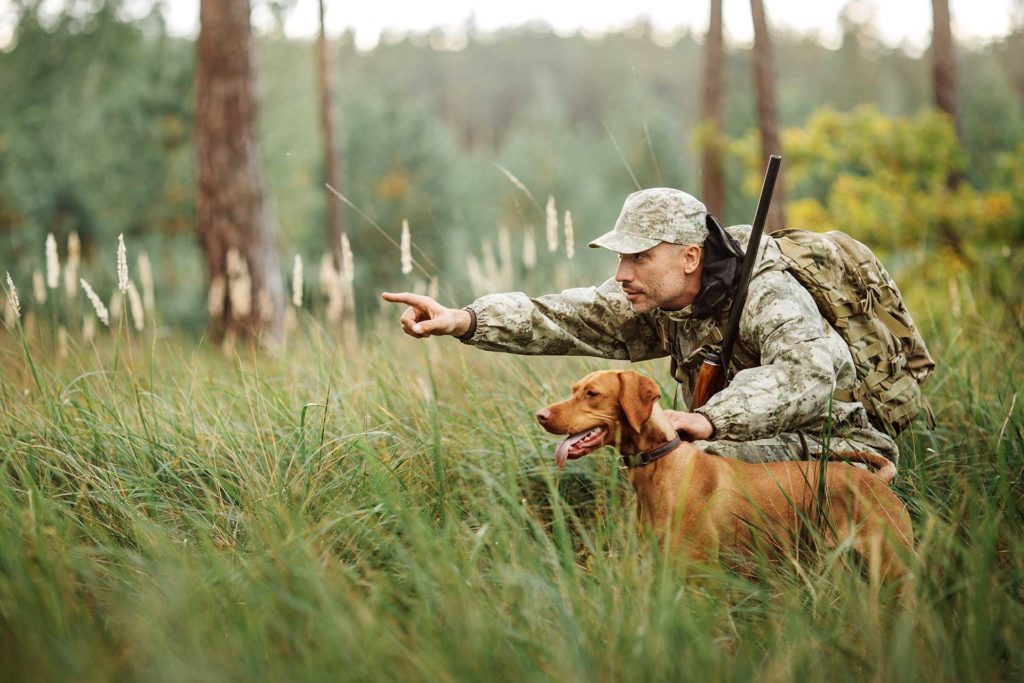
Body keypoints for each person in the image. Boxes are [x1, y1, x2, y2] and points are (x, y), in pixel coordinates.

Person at [382, 188, 898, 464]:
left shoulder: (766, 292)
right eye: (621, 257)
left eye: (640, 258)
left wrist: (709, 420)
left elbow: (808, 375)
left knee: (693, 456)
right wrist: (463, 319)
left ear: (691, 257)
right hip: (745, 442)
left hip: (837, 443)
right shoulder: (655, 297)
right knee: (671, 456)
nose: (622, 274)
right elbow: (562, 316)